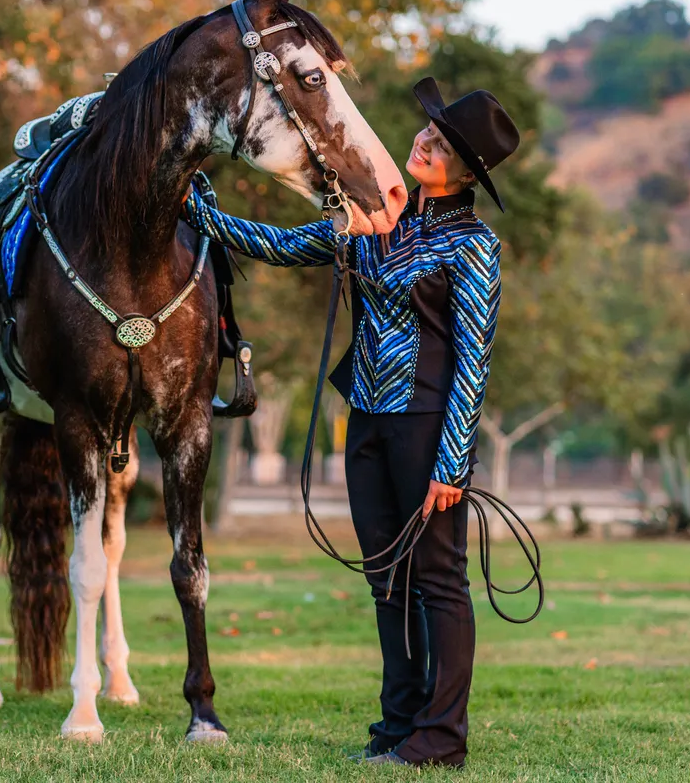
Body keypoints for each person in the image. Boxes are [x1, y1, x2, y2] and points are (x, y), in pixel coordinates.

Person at [181, 77, 520, 767]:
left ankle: (442, 738)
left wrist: (453, 463)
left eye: (444, 143)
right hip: (365, 419)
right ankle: (398, 724)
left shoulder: (475, 246)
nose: (425, 141)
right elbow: (279, 246)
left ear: (466, 171)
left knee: (439, 582)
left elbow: (473, 361)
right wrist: (200, 209)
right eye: (430, 131)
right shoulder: (373, 219)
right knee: (386, 580)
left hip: (427, 426)